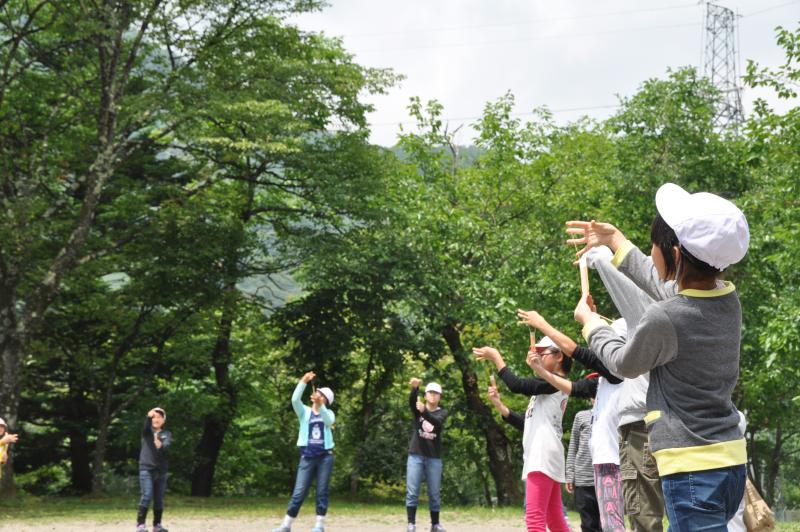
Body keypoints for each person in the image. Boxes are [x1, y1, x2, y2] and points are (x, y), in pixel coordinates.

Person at [567, 182, 750, 529]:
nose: (652, 252)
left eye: (655, 245)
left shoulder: (666, 317)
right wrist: (616, 241)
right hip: (729, 461)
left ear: (676, 255)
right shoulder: (727, 299)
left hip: (690, 464)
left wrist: (592, 326)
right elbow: (664, 283)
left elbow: (625, 363)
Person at [583, 244, 666, 531]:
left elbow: (615, 361)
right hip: (672, 423)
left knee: (643, 516)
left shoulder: (651, 311)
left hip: (641, 427)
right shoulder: (698, 304)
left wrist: (600, 256)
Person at [518, 311, 625, 532]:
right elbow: (573, 388)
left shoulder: (618, 370)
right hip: (600, 459)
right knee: (589, 523)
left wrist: (543, 323)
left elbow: (575, 351)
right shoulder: (601, 382)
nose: (600, 346)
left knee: (614, 524)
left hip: (613, 460)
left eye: (607, 342)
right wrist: (539, 369)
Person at [474, 337, 580, 532]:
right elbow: (527, 422)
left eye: (542, 353)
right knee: (555, 520)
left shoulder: (555, 382)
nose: (537, 357)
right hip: (549, 454)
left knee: (534, 520)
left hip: (542, 455)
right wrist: (499, 405)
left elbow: (516, 385)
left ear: (559, 356)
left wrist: (497, 357)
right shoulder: (551, 386)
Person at [273, 372, 336, 532]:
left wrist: (320, 406)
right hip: (307, 457)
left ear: (325, 400)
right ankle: (286, 526)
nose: (316, 394)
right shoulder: (304, 412)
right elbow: (295, 400)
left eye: (320, 394)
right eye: (317, 392)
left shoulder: (329, 413)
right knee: (298, 492)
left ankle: (319, 526)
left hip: (325, 458)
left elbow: (328, 421)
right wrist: (303, 381)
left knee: (321, 491)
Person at [406, 378, 449, 532]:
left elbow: (436, 423)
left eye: (436, 393)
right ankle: (411, 523)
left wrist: (424, 411)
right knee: (412, 491)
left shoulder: (442, 412)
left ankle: (435, 524)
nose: (433, 395)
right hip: (415, 454)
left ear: (440, 397)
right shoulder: (418, 409)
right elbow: (412, 401)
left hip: (434, 457)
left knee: (434, 492)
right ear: (425, 395)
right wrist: (415, 388)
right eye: (430, 392)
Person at [566, 406, 601, 532]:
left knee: (606, 524)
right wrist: (570, 475)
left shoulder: (613, 413)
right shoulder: (581, 416)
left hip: (606, 479)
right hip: (583, 480)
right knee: (587, 524)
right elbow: (573, 446)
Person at [137, 407, 172, 532]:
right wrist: (148, 416)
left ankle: (157, 525)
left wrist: (161, 445)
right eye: (154, 417)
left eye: (159, 417)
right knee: (146, 495)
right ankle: (140, 525)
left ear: (163, 420)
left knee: (159, 499)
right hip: (146, 469)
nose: (156, 419)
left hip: (161, 471)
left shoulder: (166, 434)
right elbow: (145, 427)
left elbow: (167, 446)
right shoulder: (147, 432)